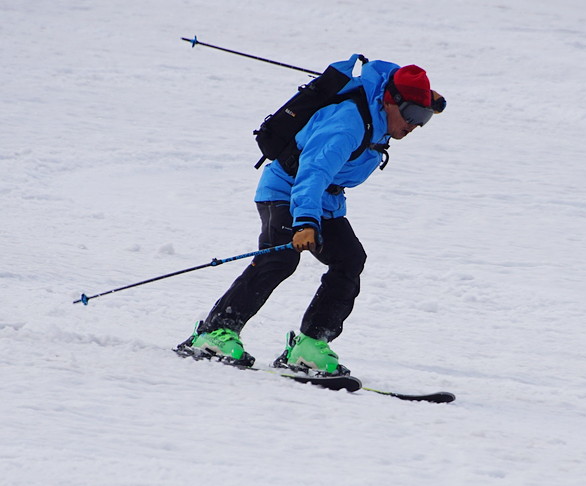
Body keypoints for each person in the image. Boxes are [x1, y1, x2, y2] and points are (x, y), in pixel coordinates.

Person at [180, 57, 445, 375]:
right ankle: (214, 332)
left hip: (325, 200)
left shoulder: (385, 105)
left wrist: (427, 99)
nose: (415, 125)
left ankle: (309, 345)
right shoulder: (348, 125)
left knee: (349, 259)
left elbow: (389, 73)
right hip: (287, 190)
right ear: (389, 101)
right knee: (280, 259)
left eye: (424, 117)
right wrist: (305, 222)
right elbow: (313, 173)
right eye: (413, 115)